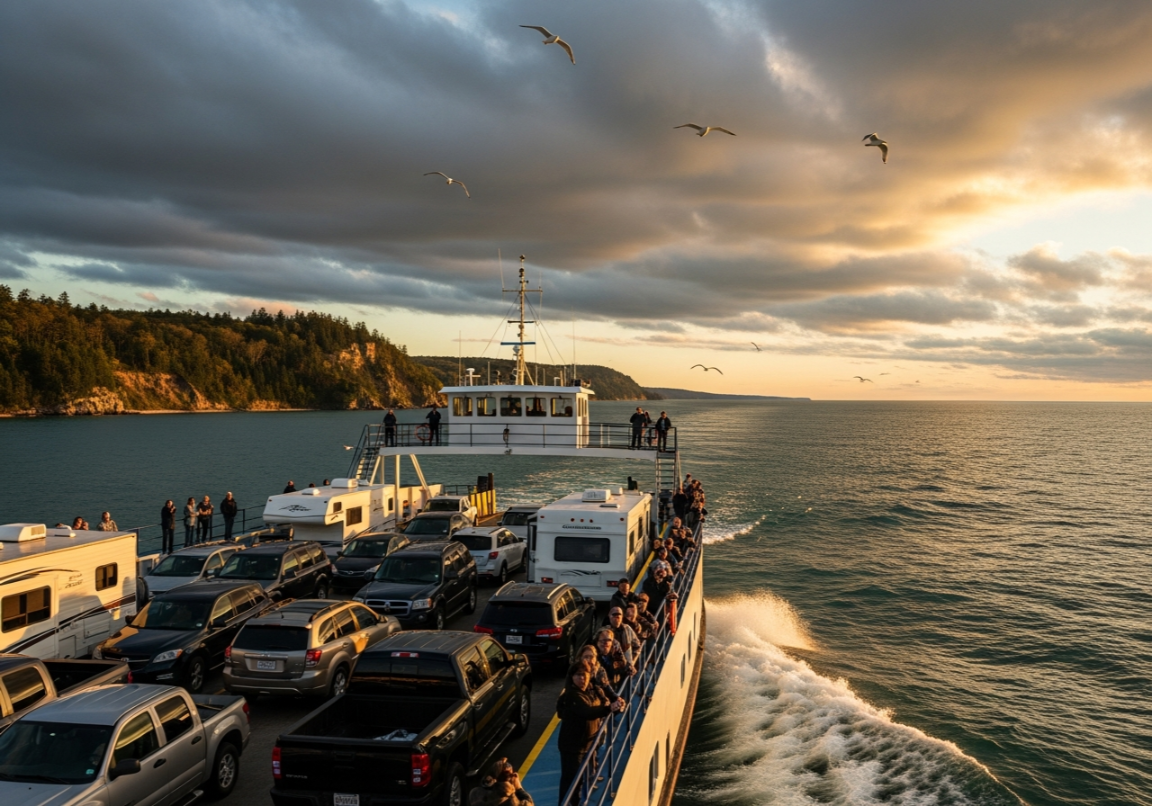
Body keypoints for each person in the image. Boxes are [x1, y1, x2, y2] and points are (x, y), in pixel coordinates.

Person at [556, 661, 621, 806]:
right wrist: (608, 708)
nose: (582, 678)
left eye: (584, 675)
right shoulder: (572, 695)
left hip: (587, 743)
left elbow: (603, 702)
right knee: (571, 782)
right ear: (572, 677)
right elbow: (587, 711)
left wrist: (614, 706)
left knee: (582, 780)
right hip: (573, 747)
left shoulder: (592, 689)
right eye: (578, 675)